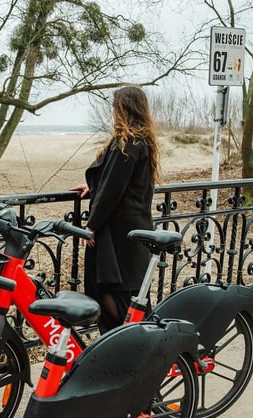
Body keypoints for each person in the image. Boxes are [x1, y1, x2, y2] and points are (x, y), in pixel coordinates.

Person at [73, 86, 161, 333]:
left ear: (123, 109)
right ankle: (133, 349)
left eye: (115, 107)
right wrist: (94, 185)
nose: (112, 111)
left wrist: (91, 226)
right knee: (128, 299)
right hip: (131, 233)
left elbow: (113, 191)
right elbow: (119, 183)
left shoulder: (127, 144)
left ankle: (132, 349)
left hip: (119, 237)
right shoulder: (140, 141)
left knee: (113, 295)